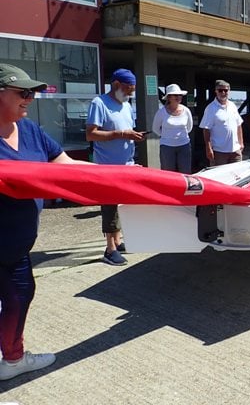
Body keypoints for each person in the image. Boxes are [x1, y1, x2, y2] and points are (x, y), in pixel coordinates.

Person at [0, 64, 88, 380]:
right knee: (15, 298)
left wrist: (122, 176)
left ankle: (12, 357)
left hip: (19, 244)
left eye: (32, 93)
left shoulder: (32, 132)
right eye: (23, 93)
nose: (30, 99)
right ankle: (12, 360)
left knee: (21, 296)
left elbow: (64, 166)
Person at [86, 68, 146, 266]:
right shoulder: (99, 103)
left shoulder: (127, 105)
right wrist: (121, 134)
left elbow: (125, 130)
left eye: (132, 90)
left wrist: (133, 135)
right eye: (128, 89)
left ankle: (118, 241)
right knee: (110, 207)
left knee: (122, 205)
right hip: (107, 167)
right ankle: (109, 249)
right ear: (116, 85)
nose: (130, 93)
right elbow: (91, 134)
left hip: (126, 165)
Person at [200, 80, 244, 166]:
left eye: (226, 90)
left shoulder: (233, 106)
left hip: (235, 151)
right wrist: (208, 148)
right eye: (220, 90)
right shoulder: (210, 108)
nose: (223, 92)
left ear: (229, 91)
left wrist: (241, 143)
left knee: (237, 176)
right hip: (219, 152)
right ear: (216, 91)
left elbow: (239, 124)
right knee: (218, 177)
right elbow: (206, 129)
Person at [152, 83, 193, 173]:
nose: (178, 97)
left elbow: (189, 128)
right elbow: (155, 128)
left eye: (180, 95)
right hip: (167, 147)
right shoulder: (161, 112)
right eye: (175, 95)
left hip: (184, 145)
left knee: (186, 173)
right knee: (168, 174)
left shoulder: (186, 111)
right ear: (169, 97)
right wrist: (167, 137)